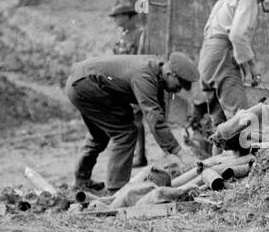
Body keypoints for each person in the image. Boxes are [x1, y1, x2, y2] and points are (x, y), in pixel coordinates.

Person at [65, 51, 198, 193]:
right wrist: (179, 152)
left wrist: (167, 150)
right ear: (170, 73)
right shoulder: (145, 76)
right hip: (86, 86)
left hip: (81, 83)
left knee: (99, 135)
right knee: (125, 132)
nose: (178, 90)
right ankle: (116, 190)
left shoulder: (157, 71)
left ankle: (81, 182)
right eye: (179, 85)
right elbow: (153, 116)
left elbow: (159, 113)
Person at [191, 0, 269, 137]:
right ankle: (246, 162)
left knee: (221, 122)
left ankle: (216, 162)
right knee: (242, 119)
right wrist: (252, 66)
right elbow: (237, 36)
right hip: (222, 55)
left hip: (208, 58)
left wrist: (245, 66)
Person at [109, 0, 149, 166]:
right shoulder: (120, 35)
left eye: (117, 16)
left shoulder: (140, 34)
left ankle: (140, 157)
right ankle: (134, 156)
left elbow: (141, 58)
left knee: (136, 119)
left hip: (134, 80)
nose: (115, 20)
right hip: (121, 81)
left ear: (127, 16)